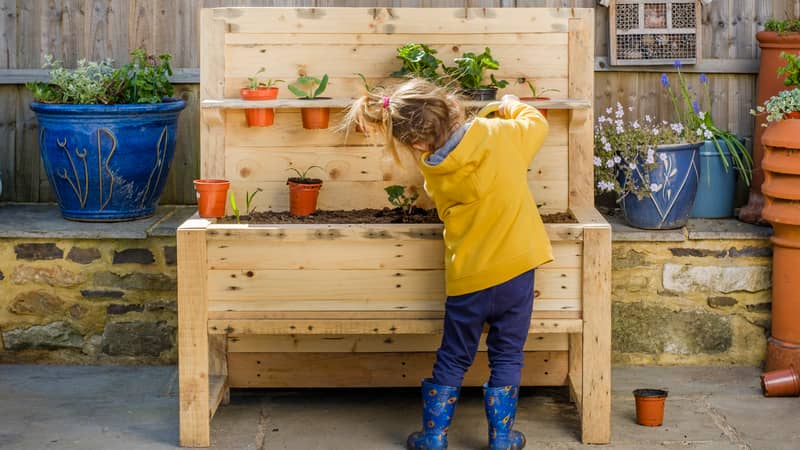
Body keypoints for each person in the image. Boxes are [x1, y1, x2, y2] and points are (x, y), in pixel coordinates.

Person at [344, 78, 552, 450]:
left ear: (418, 143)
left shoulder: (434, 171)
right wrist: (507, 103)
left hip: (468, 277)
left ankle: (434, 437)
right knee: (507, 353)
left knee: (454, 355)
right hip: (516, 270)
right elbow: (537, 123)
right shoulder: (500, 135)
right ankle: (502, 439)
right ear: (450, 105)